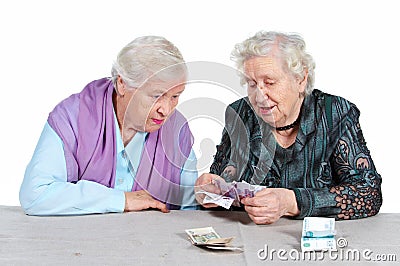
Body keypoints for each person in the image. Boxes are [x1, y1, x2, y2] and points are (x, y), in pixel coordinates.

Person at [195, 31, 382, 224]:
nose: (259, 97)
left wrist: (292, 202)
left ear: (300, 79)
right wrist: (209, 192)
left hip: (315, 245)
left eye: (270, 83)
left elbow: (369, 194)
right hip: (249, 239)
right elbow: (221, 181)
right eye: (252, 84)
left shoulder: (335, 113)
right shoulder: (239, 114)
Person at [20, 36, 198, 215]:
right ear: (122, 84)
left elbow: (189, 207)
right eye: (156, 96)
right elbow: (36, 195)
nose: (166, 110)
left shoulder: (177, 129)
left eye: (175, 96)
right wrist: (121, 200)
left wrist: (203, 195)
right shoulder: (72, 117)